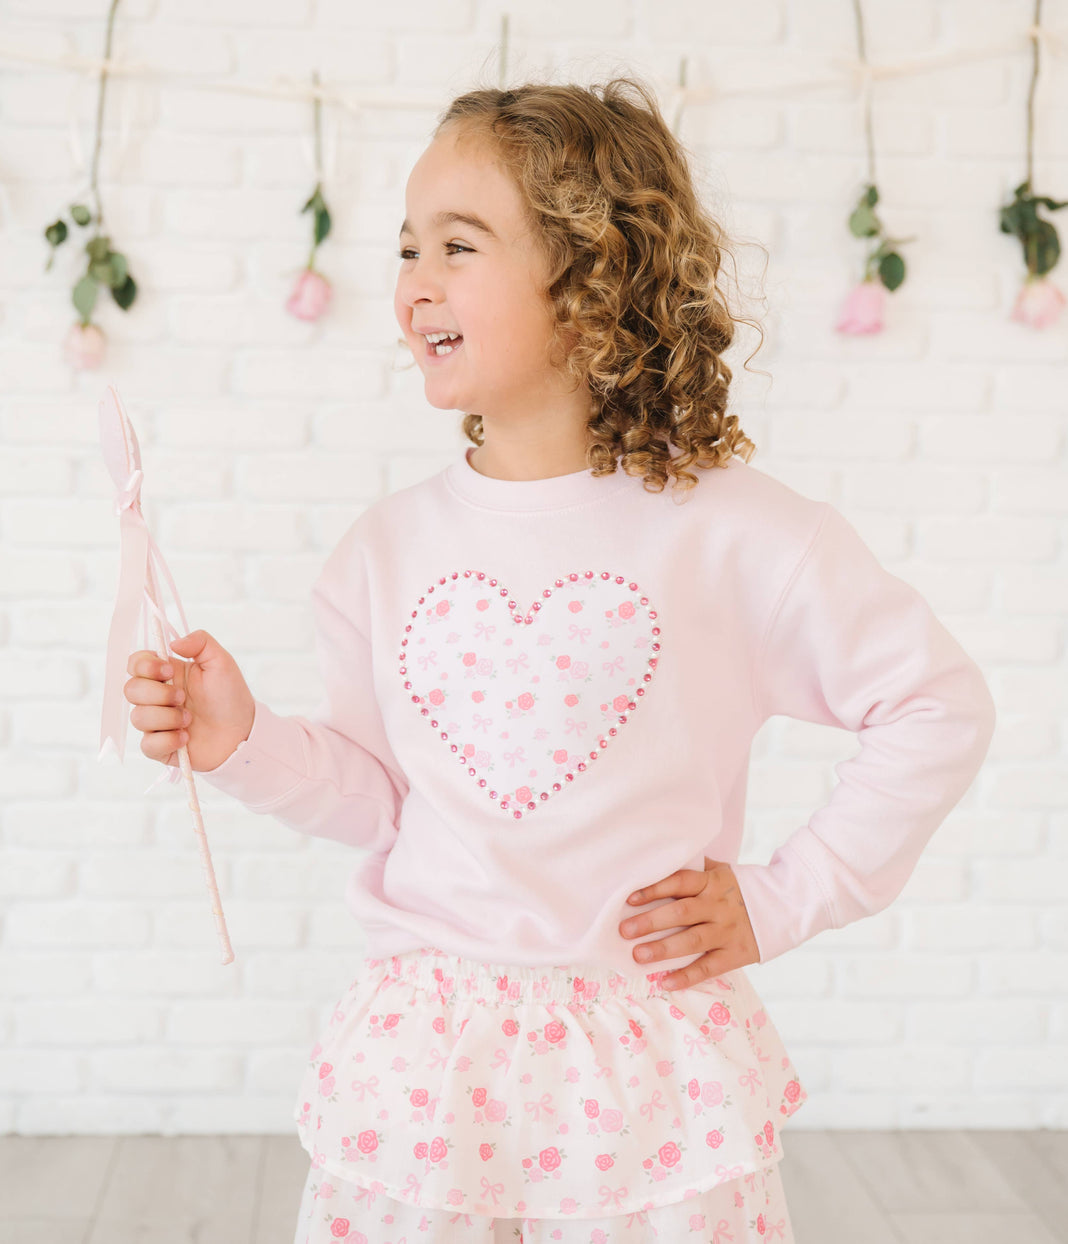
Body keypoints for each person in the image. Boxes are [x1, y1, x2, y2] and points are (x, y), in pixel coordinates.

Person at [123, 77, 996, 1244]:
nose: (413, 281)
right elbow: (382, 797)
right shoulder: (381, 553)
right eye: (405, 247)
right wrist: (240, 741)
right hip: (430, 1065)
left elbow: (933, 704)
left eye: (458, 244)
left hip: (647, 1072)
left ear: (591, 281)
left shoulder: (733, 533)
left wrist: (783, 896)